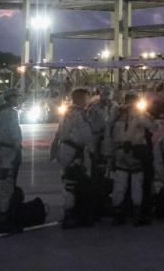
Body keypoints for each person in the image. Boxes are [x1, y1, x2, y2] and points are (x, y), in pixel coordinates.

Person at [107, 92, 159, 225]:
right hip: (136, 152)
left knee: (120, 184)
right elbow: (155, 126)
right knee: (137, 184)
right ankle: (138, 214)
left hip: (119, 153)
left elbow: (108, 132)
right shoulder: (138, 113)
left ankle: (117, 214)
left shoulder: (116, 113)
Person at [52, 88, 96, 229]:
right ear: (81, 99)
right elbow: (86, 135)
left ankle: (70, 213)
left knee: (68, 182)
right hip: (74, 152)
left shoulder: (67, 113)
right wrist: (94, 152)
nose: (88, 101)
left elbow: (58, 133)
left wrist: (53, 148)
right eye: (86, 98)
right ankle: (72, 215)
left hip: (65, 150)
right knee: (74, 183)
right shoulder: (80, 114)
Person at [0, 88, 23, 232]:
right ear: (11, 98)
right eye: (16, 97)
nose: (18, 99)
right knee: (7, 186)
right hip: (9, 152)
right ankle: (3, 219)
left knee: (0, 185)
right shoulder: (11, 113)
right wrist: (17, 149)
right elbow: (15, 134)